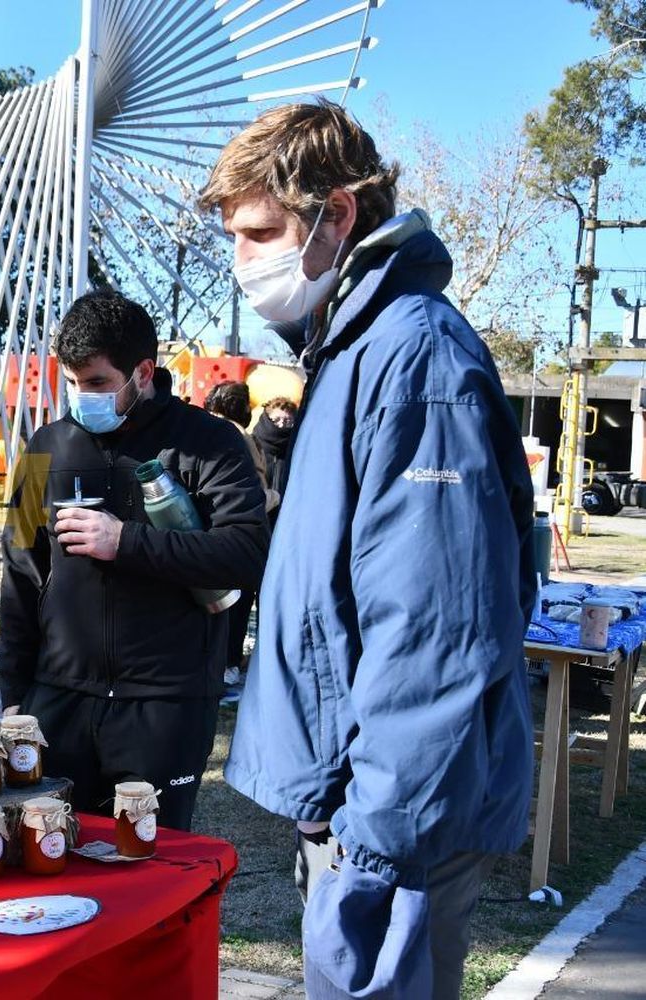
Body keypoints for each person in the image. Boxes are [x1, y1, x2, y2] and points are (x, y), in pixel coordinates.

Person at [201, 100, 536, 1000]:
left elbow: (436, 625)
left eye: (261, 232)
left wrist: (376, 836)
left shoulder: (414, 359)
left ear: (338, 213)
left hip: (393, 824)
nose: (245, 263)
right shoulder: (353, 351)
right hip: (363, 807)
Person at [0, 290, 268, 828]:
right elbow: (20, 576)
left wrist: (127, 542)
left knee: (151, 873)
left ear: (143, 372)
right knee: (51, 862)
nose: (82, 397)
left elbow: (246, 552)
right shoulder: (45, 447)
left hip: (166, 707)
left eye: (97, 382)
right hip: (59, 701)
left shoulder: (210, 444)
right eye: (72, 383)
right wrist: (14, 697)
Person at [202, 380, 273, 688]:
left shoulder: (200, 428)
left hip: (200, 537)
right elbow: (253, 494)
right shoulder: (239, 436)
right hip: (234, 538)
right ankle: (228, 664)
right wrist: (276, 496)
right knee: (234, 607)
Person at [252, 396, 298, 502]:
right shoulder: (254, 446)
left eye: (288, 421)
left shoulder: (295, 450)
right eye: (277, 419)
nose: (281, 424)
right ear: (267, 419)